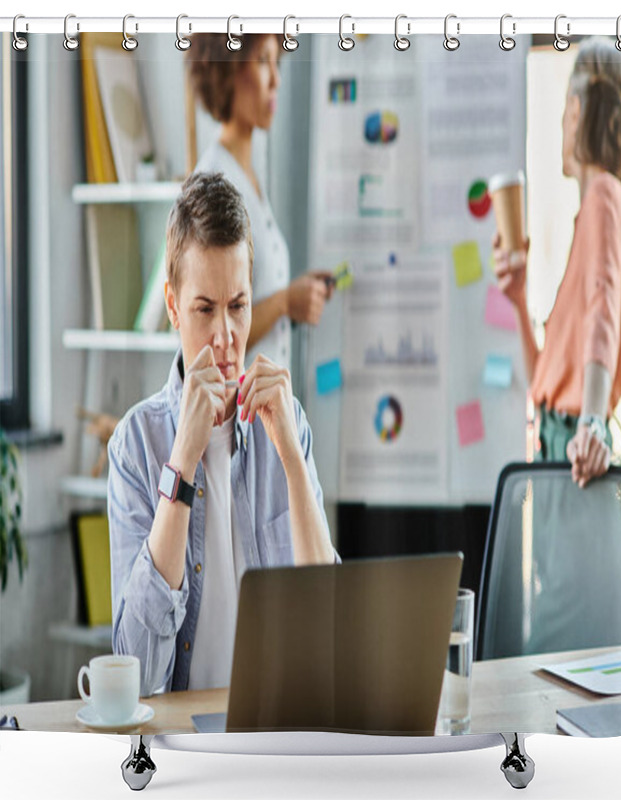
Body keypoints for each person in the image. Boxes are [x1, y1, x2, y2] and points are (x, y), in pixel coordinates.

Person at [108, 173, 338, 697]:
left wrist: (293, 464)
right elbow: (137, 673)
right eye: (204, 309)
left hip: (279, 734)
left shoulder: (289, 422)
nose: (226, 337)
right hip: (181, 743)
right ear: (172, 307)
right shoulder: (135, 446)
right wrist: (183, 460)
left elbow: (329, 626)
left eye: (238, 306)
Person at [493, 37, 621, 488]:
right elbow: (543, 380)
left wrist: (592, 423)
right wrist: (518, 300)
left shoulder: (602, 199)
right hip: (561, 439)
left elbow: (603, 311)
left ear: (575, 111)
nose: (560, 124)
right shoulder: (602, 210)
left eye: (563, 112)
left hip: (573, 446)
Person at [187, 33, 333, 369]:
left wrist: (293, 298)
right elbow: (204, 333)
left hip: (265, 409)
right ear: (229, 70)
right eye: (263, 61)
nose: (276, 80)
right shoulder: (213, 181)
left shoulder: (248, 175)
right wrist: (284, 302)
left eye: (276, 62)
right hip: (235, 412)